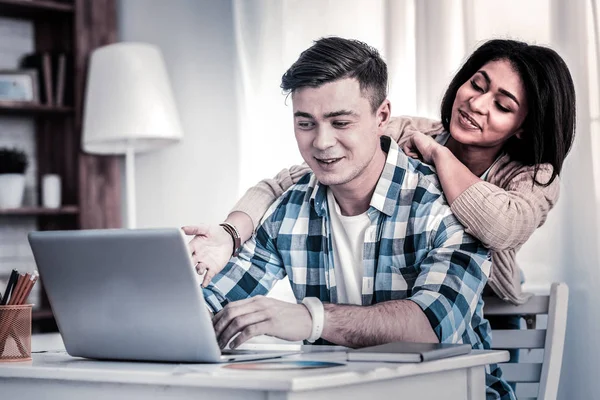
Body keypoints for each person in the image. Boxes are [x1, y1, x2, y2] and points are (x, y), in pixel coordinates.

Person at [193, 37, 514, 400]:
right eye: (305, 123)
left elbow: (430, 326)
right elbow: (217, 298)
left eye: (340, 122)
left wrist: (309, 318)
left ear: (382, 117)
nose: (321, 143)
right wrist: (177, 314)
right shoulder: (291, 209)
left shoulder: (446, 209)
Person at [186, 39, 576, 311]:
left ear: (523, 126)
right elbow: (291, 179)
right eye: (477, 83)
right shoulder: (406, 132)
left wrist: (437, 155)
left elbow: (500, 227)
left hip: (483, 306)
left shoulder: (536, 177)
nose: (476, 102)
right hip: (399, 301)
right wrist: (230, 233)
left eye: (502, 105)